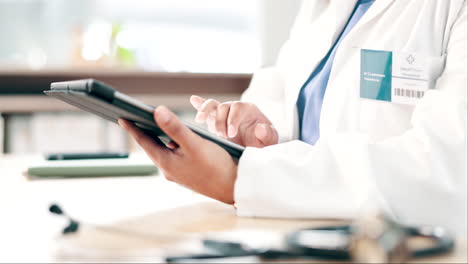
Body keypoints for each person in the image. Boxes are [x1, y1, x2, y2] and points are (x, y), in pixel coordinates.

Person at [119, 0, 467, 234]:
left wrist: (241, 176)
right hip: (302, 232)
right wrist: (258, 129)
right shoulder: (324, 6)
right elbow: (284, 91)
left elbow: (444, 171)